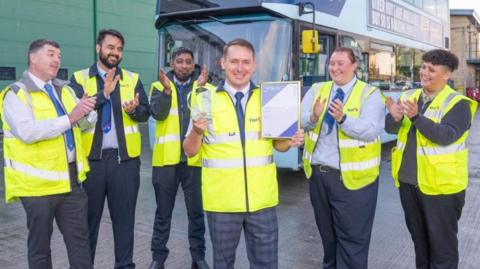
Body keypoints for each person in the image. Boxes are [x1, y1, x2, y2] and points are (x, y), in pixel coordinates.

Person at [183, 38, 304, 269]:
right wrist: (197, 131)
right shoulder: (205, 98)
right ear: (223, 63)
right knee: (223, 264)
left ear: (254, 65)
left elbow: (278, 145)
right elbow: (189, 151)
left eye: (246, 62)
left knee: (266, 264)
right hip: (222, 204)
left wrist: (290, 141)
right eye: (234, 61)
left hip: (262, 202)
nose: (240, 68)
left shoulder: (270, 98)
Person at [0, 39, 96, 269]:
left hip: (71, 184)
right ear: (33, 58)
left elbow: (82, 126)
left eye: (59, 56)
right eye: (51, 54)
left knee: (81, 247)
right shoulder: (15, 94)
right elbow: (27, 132)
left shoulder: (65, 90)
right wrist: (70, 118)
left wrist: (87, 113)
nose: (57, 60)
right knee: (40, 251)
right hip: (37, 189)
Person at [385, 49, 477, 269]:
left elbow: (445, 136)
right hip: (409, 183)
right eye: (423, 67)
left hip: (442, 189)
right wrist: (395, 118)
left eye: (431, 69)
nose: (424, 73)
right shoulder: (409, 96)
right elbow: (390, 128)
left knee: (442, 250)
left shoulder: (458, 104)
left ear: (446, 75)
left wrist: (416, 116)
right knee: (421, 245)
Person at [69, 29, 150, 268]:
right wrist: (103, 94)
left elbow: (145, 112)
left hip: (124, 164)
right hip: (92, 164)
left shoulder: (132, 79)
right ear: (98, 48)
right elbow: (76, 114)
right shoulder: (79, 78)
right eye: (110, 47)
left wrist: (134, 110)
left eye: (119, 48)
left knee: (125, 224)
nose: (115, 52)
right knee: (87, 225)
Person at [301, 47, 385, 269]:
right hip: (319, 177)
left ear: (354, 65)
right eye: (331, 63)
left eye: (340, 63)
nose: (334, 68)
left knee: (352, 242)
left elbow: (371, 130)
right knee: (328, 241)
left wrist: (343, 119)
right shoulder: (317, 89)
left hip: (354, 181)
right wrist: (313, 116)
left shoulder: (370, 94)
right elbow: (301, 122)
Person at [148, 47, 211, 269]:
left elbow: (208, 116)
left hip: (194, 162)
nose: (184, 65)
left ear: (193, 65)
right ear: (172, 63)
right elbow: (157, 113)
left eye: (188, 62)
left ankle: (198, 257)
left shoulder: (204, 86)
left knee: (196, 213)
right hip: (166, 162)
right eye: (180, 61)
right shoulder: (158, 86)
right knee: (163, 213)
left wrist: (202, 88)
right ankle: (158, 258)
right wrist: (166, 92)